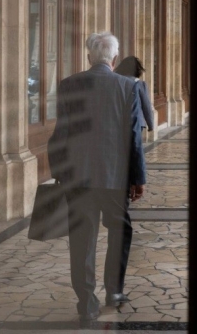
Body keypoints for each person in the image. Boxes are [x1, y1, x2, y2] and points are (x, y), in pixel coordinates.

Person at [48, 32, 146, 323]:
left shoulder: (68, 85)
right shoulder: (129, 86)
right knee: (120, 230)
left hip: (77, 176)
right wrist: (138, 177)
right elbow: (134, 137)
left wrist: (59, 173)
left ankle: (86, 303)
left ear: (89, 56)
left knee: (81, 238)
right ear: (114, 59)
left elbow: (61, 133)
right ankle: (114, 291)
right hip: (115, 177)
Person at [114, 56, 154, 132]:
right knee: (135, 143)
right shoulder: (140, 84)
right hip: (137, 122)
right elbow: (146, 106)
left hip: (120, 121)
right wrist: (150, 124)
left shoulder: (117, 82)